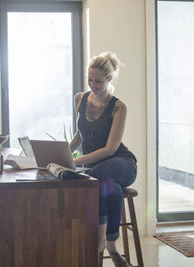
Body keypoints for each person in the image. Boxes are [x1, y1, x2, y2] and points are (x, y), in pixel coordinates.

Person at [70, 52, 137, 267]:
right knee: (108, 186)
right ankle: (112, 247)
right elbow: (80, 136)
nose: (92, 84)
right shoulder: (80, 99)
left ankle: (99, 242)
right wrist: (63, 153)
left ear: (109, 79)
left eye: (98, 81)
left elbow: (110, 149)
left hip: (121, 163)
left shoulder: (118, 107)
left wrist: (77, 163)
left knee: (96, 177)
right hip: (97, 170)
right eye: (89, 79)